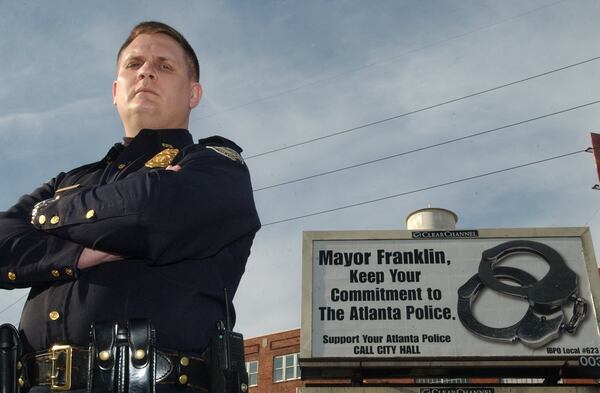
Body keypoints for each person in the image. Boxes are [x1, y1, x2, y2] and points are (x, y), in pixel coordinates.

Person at [0, 21, 260, 391]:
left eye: (164, 66)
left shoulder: (216, 165)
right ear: (115, 90)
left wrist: (47, 216)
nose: (146, 72)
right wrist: (84, 250)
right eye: (133, 64)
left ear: (193, 93)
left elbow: (149, 214)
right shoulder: (70, 180)